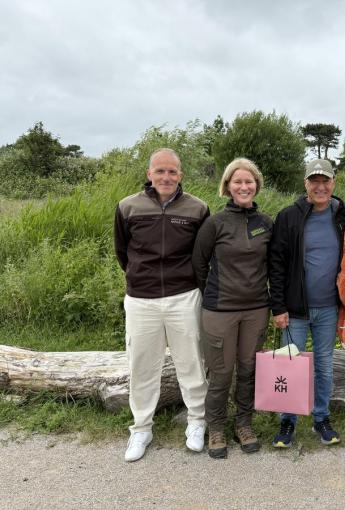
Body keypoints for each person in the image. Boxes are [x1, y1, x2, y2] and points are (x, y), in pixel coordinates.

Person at [114, 148, 209, 462]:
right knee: (142, 365)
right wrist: (140, 276)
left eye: (172, 171)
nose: (166, 177)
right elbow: (123, 252)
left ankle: (197, 421)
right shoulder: (128, 206)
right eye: (160, 171)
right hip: (142, 299)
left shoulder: (197, 208)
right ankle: (141, 428)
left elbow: (201, 253)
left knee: (191, 362)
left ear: (180, 174)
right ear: (149, 174)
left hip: (184, 296)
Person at [192, 158, 272, 459]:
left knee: (249, 369)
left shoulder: (266, 223)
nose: (243, 186)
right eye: (237, 181)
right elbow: (199, 264)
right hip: (220, 310)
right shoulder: (215, 223)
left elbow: (273, 265)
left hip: (256, 309)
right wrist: (214, 293)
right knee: (221, 373)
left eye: (249, 181)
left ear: (256, 186)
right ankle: (216, 428)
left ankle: (243, 424)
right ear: (227, 186)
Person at [268, 158, 345, 447]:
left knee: (324, 366)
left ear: (333, 183)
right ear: (306, 184)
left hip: (329, 308)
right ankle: (287, 421)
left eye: (325, 181)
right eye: (315, 181)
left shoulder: (343, 216)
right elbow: (276, 264)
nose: (320, 186)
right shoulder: (289, 216)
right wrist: (278, 307)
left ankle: (321, 418)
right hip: (295, 309)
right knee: (290, 365)